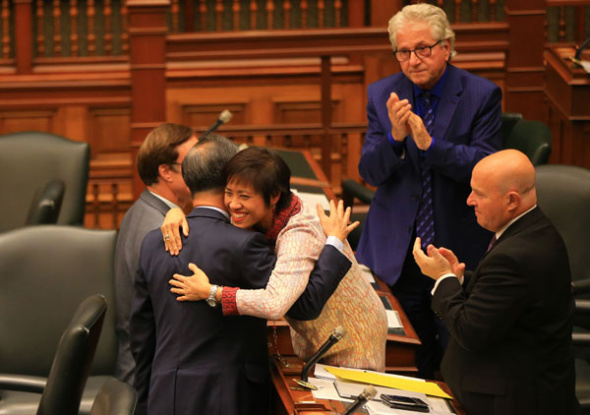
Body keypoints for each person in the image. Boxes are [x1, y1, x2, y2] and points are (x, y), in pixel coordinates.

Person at [130, 136, 354, 415]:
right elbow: (303, 305)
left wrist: (144, 400)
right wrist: (334, 242)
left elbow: (141, 333)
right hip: (228, 397)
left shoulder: (154, 241)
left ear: (188, 182)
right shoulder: (245, 244)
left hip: (164, 393)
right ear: (231, 179)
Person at [355, 3, 502, 378]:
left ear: (447, 47)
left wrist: (430, 145)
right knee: (408, 359)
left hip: (456, 247)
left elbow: (486, 168)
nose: (412, 60)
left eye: (423, 49)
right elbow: (369, 172)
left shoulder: (481, 95)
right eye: (403, 52)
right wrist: (395, 138)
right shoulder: (381, 94)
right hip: (396, 251)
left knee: (457, 359)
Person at [164, 146, 388, 371]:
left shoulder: (300, 233)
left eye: (243, 196)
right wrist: (175, 213)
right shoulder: (256, 206)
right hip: (317, 336)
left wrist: (212, 292)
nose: (233, 204)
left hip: (351, 338)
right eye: (229, 192)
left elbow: (274, 304)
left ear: (273, 196)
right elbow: (212, 211)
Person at [413, 149, 579, 415]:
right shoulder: (534, 229)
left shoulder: (516, 255)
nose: (469, 201)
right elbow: (505, 296)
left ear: (511, 201)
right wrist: (457, 278)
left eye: (479, 193)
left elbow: (470, 331)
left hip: (513, 402)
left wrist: (442, 279)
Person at [113, 122, 197, 384]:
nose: (201, 170)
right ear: (166, 172)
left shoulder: (142, 209)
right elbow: (175, 320)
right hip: (148, 380)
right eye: (192, 162)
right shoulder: (161, 230)